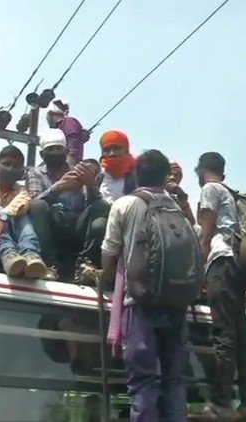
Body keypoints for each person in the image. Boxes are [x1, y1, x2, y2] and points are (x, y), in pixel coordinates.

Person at [100, 149, 189, 421]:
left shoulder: (125, 205)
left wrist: (103, 278)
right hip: (176, 302)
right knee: (174, 380)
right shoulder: (177, 209)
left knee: (142, 381)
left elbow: (110, 250)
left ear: (137, 173)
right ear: (165, 176)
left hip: (138, 303)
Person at [192, 152, 246, 421]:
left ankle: (221, 405)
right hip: (238, 267)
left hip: (221, 263)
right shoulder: (232, 193)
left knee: (224, 334)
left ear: (201, 170)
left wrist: (198, 268)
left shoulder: (210, 189)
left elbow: (206, 233)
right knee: (241, 336)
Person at [26, 129, 108, 280]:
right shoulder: (35, 173)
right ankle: (49, 264)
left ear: (66, 151)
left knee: (102, 205)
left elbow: (92, 205)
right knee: (38, 205)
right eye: (51, 149)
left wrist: (91, 185)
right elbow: (34, 201)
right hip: (51, 227)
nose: (55, 152)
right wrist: (58, 188)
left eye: (59, 149)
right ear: (43, 154)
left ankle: (85, 265)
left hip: (77, 226)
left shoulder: (78, 171)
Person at [0, 145, 47, 277]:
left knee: (22, 215)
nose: (10, 169)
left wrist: (3, 218)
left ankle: (31, 255)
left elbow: (22, 202)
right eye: (6, 164)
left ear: (22, 172)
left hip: (19, 238)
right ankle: (8, 253)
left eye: (15, 166)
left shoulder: (22, 191)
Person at [98, 130, 137, 204]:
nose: (111, 154)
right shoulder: (99, 177)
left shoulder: (138, 175)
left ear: (126, 150)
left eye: (116, 148)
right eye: (107, 150)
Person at [46, 98, 86, 166]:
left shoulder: (69, 122)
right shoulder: (58, 128)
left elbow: (73, 148)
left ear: (51, 114)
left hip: (67, 168)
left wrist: (68, 168)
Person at [166, 161, 196, 225]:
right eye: (169, 174)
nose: (172, 178)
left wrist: (182, 197)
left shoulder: (178, 197)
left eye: (176, 175)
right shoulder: (153, 194)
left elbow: (191, 223)